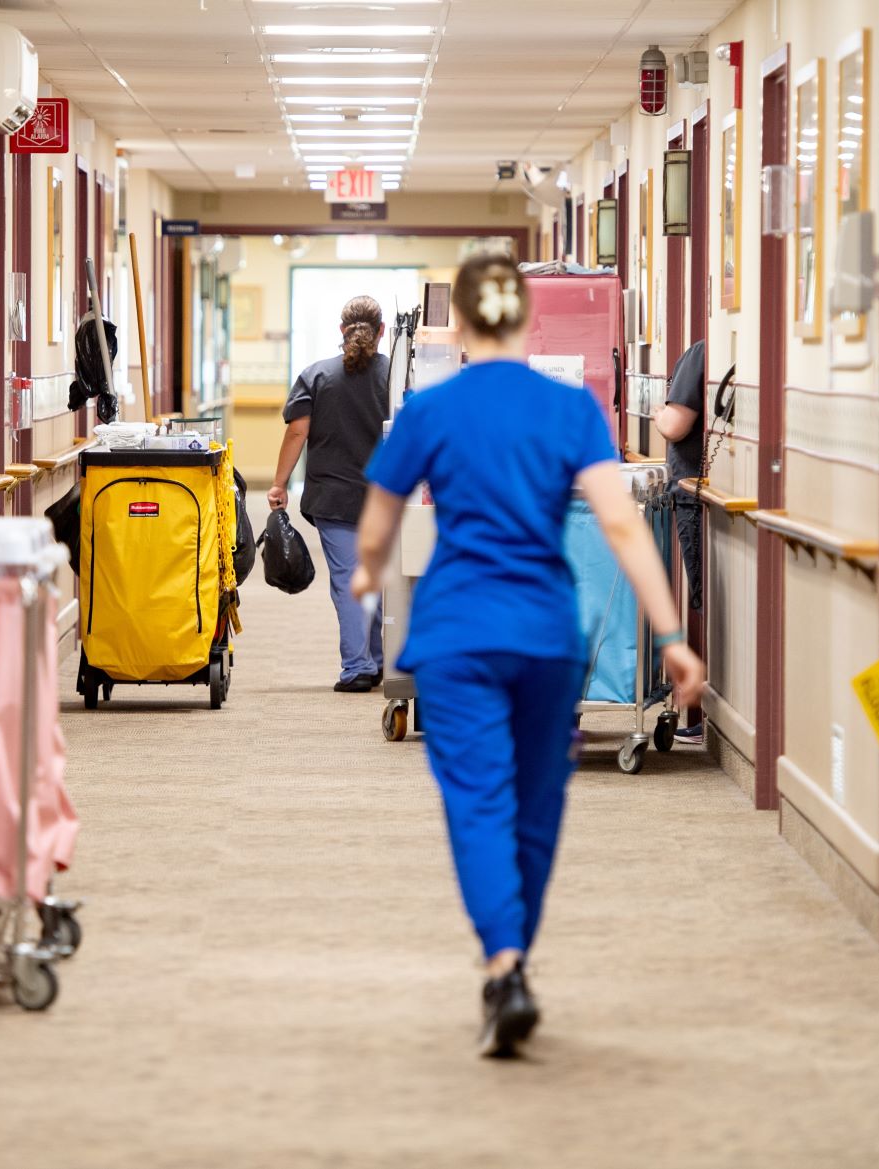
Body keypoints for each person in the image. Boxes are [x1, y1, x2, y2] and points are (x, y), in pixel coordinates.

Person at [350, 255, 704, 1058]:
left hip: (459, 637)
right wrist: (672, 634)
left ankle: (504, 962)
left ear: (464, 325)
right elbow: (619, 525)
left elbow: (375, 530)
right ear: (523, 321)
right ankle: (514, 956)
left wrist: (370, 573)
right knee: (538, 808)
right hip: (547, 637)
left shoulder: (428, 411)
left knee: (478, 800)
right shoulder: (572, 408)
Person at [269, 296, 391, 692]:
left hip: (334, 499)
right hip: (387, 498)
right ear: (383, 332)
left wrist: (279, 483)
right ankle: (378, 659)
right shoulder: (398, 374)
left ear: (342, 332)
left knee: (348, 580)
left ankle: (358, 667)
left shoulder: (317, 376)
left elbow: (297, 432)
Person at [655, 339, 707, 745]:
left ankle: (702, 712)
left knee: (701, 595)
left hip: (692, 493)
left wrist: (659, 413)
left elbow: (674, 424)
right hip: (700, 492)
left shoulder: (699, 352)